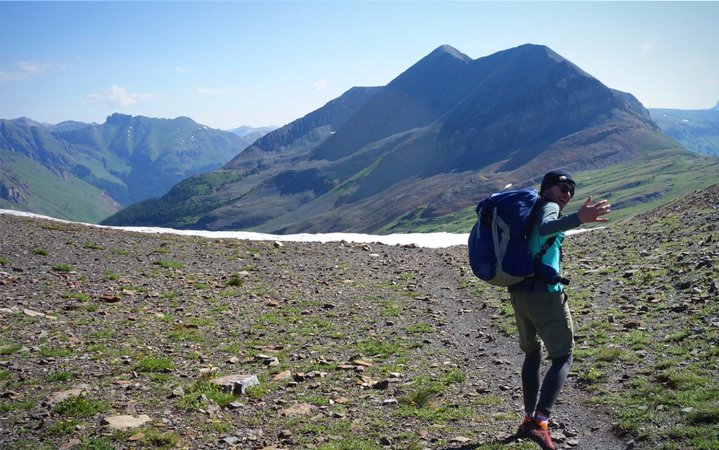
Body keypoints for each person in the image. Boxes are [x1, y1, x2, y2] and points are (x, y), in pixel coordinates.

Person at [509, 169, 611, 450]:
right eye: (562, 187)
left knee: (532, 351)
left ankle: (528, 418)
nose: (567, 194)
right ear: (547, 188)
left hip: (519, 291)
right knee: (563, 356)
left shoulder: (528, 210)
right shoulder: (548, 207)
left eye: (571, 190)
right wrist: (579, 217)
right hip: (545, 294)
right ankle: (539, 423)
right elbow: (545, 229)